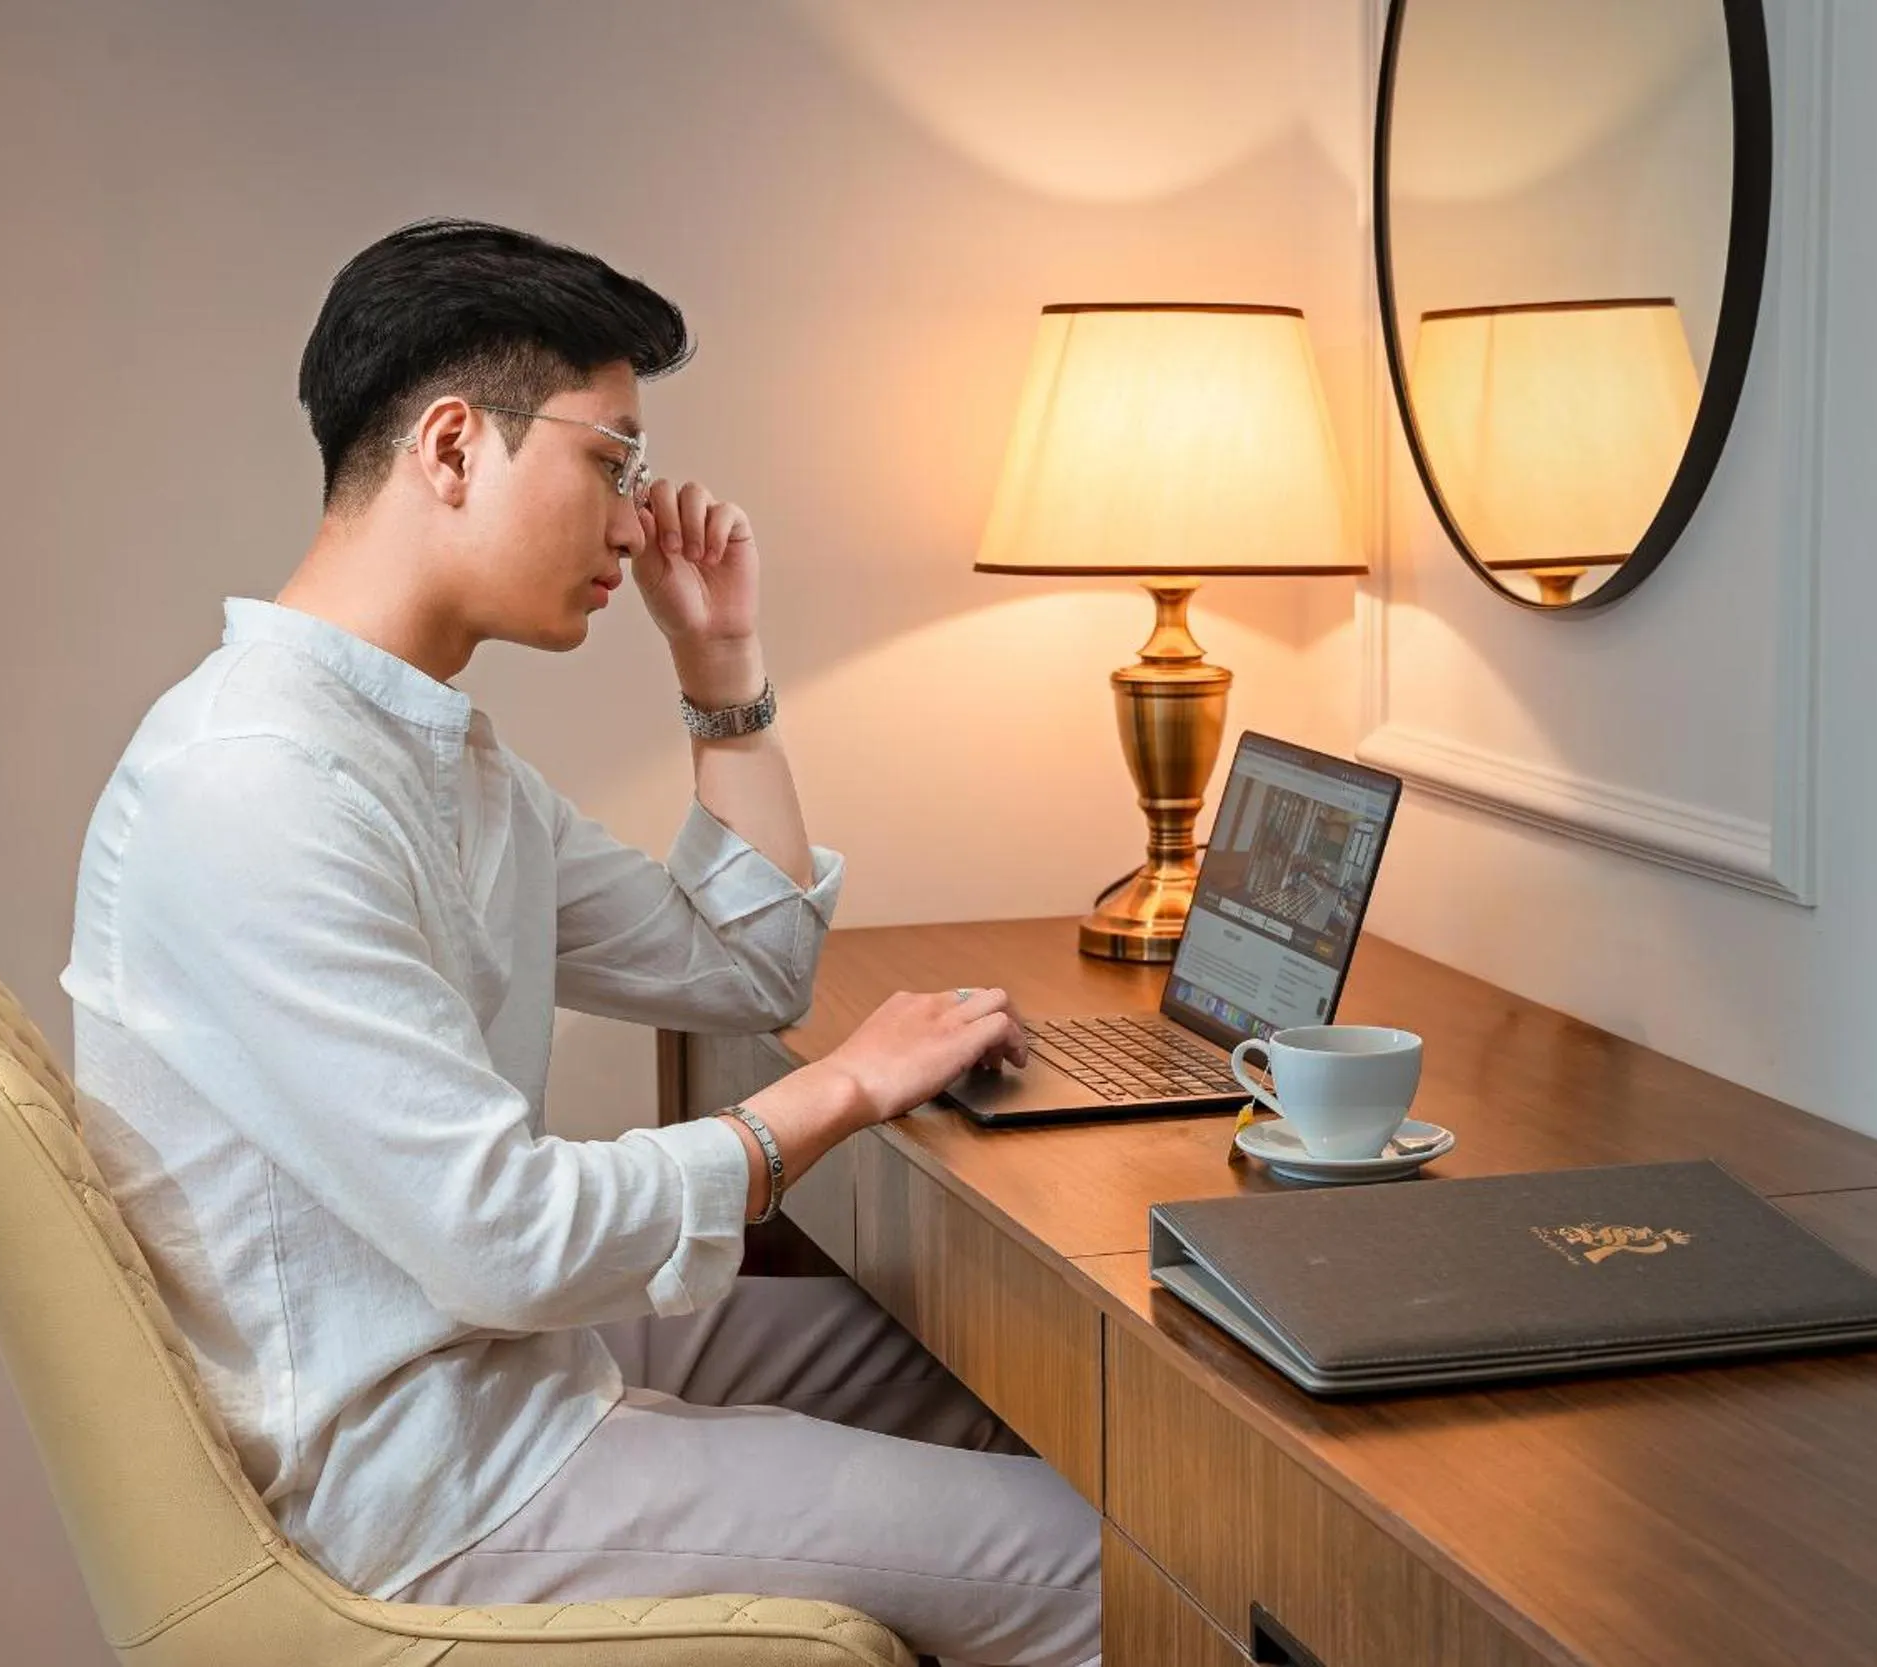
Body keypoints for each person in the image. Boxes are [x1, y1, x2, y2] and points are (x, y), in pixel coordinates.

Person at [58, 218, 1101, 1667]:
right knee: (1097, 1569)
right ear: (450, 447)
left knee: (1024, 1387)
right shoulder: (255, 783)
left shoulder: (429, 756)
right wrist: (844, 1088)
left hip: (508, 1369)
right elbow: (509, 1238)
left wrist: (719, 670)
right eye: (612, 461)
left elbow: (745, 964)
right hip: (427, 1474)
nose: (633, 520)